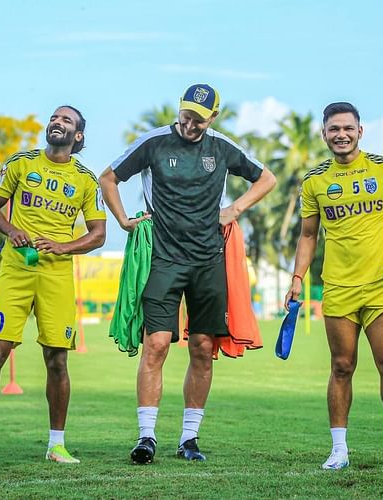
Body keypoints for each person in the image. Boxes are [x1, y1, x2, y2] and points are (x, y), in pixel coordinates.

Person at [99, 84, 276, 464]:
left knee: (202, 349)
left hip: (209, 260)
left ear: (213, 117)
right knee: (157, 344)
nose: (190, 122)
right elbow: (108, 178)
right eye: (185, 114)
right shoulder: (154, 142)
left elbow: (267, 179)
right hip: (163, 259)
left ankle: (189, 439)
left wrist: (236, 208)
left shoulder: (222, 146)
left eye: (199, 117)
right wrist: (124, 221)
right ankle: (146, 437)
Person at [0, 106, 107, 466]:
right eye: (55, 118)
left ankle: (56, 444)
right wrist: (12, 230)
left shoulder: (86, 180)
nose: (57, 123)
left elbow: (99, 234)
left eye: (66, 121)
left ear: (78, 136)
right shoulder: (21, 164)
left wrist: (63, 247)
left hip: (56, 275)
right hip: (16, 268)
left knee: (57, 360)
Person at [285, 102, 383, 471]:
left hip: (380, 283)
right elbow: (308, 235)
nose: (340, 134)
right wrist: (298, 278)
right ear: (324, 134)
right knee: (341, 366)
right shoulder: (314, 181)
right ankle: (339, 450)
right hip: (339, 288)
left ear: (360, 131)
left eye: (347, 128)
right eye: (333, 129)